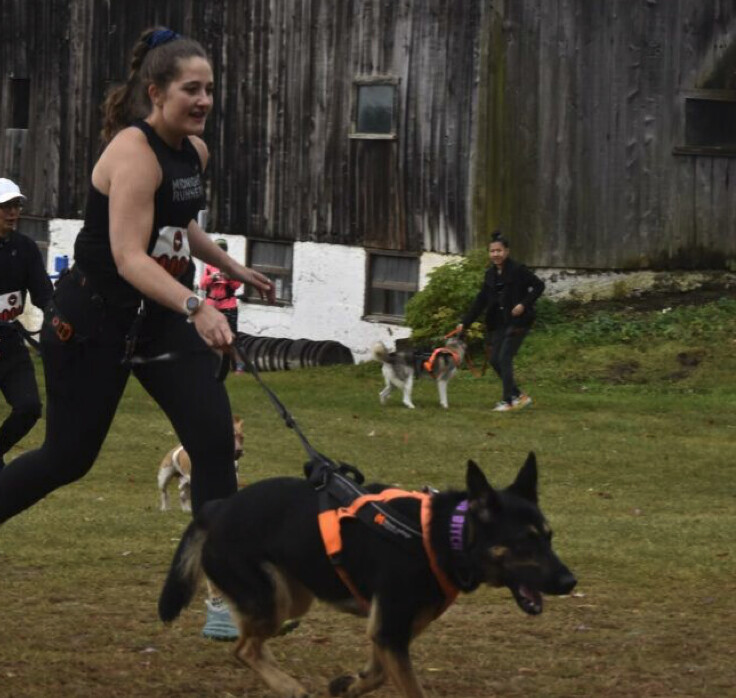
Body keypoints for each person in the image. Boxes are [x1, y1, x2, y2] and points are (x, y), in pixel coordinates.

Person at [0, 27, 274, 638]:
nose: (204, 101)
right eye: (191, 89)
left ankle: (227, 598)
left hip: (159, 324)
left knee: (214, 445)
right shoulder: (132, 152)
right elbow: (128, 256)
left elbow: (176, 226)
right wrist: (198, 305)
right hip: (91, 324)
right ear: (156, 92)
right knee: (66, 459)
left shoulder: (194, 153)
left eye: (209, 89)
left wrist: (231, 267)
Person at [457, 230, 545, 412]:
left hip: (519, 322)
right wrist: (465, 323)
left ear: (507, 251)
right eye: (492, 251)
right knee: (495, 360)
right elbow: (481, 301)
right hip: (498, 323)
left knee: (505, 358)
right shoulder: (490, 274)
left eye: (499, 250)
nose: (496, 254)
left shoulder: (518, 270)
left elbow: (539, 286)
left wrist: (523, 304)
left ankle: (508, 402)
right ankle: (519, 396)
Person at [0, 178, 53, 470]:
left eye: (16, 205)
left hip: (9, 342)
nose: (13, 212)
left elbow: (44, 295)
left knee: (29, 408)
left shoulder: (26, 248)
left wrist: (59, 319)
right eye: (6, 206)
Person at [199, 238, 244, 370]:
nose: (220, 251)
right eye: (218, 249)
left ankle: (239, 364)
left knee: (231, 336)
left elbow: (237, 285)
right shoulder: (209, 266)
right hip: (212, 305)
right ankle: (218, 365)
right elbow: (202, 285)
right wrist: (212, 278)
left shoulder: (231, 265)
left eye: (222, 249)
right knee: (212, 337)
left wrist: (229, 278)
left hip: (228, 306)